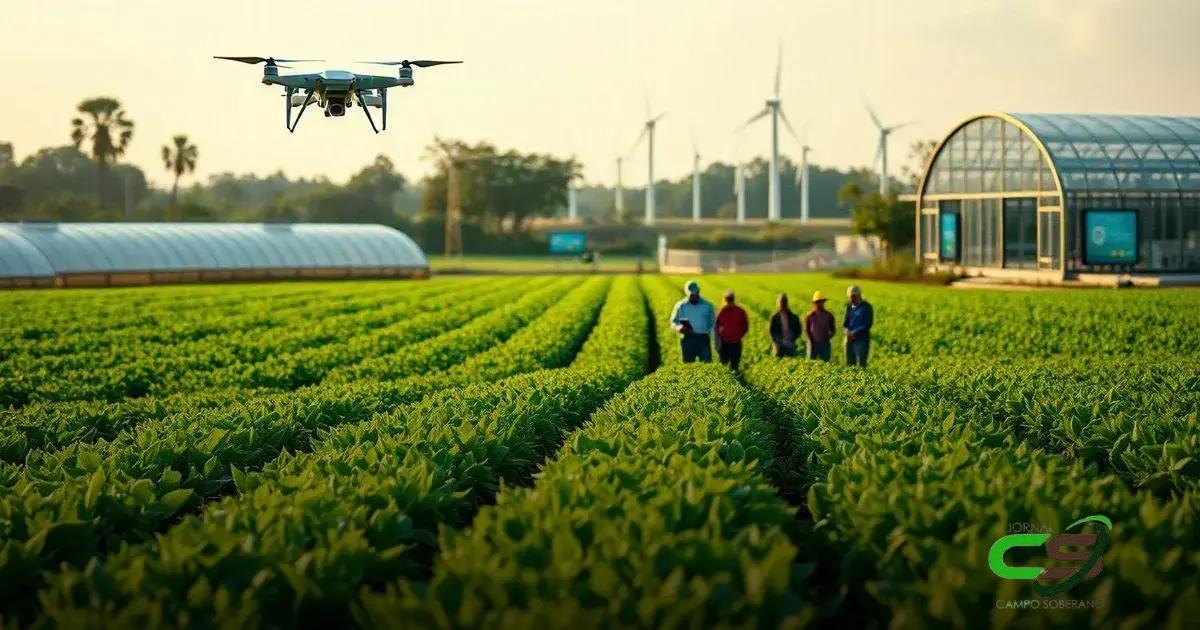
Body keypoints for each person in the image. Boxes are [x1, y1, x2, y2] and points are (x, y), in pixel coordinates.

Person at [671, 279, 715, 363]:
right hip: (687, 339)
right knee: (688, 366)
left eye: (695, 294)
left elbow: (712, 323)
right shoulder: (680, 306)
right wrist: (679, 327)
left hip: (703, 339)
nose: (694, 297)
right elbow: (673, 322)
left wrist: (713, 339)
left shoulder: (707, 305)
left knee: (706, 365)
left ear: (698, 292)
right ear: (687, 294)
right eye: (691, 295)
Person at [715, 289, 749, 370]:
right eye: (728, 299)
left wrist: (739, 335)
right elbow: (716, 327)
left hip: (736, 343)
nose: (729, 301)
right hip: (725, 344)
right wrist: (720, 338)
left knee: (734, 366)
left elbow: (745, 326)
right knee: (723, 366)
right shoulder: (722, 312)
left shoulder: (740, 311)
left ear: (733, 299)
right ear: (725, 300)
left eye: (730, 299)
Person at [843, 285, 874, 367]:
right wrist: (846, 331)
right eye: (850, 297)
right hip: (849, 339)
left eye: (853, 296)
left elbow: (867, 324)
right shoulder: (849, 307)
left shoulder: (866, 307)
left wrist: (854, 333)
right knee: (849, 364)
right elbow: (845, 323)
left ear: (859, 295)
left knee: (861, 364)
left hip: (861, 340)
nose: (851, 299)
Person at [804, 290, 835, 362]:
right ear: (814, 303)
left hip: (825, 344)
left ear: (824, 302)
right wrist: (811, 340)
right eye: (818, 302)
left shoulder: (829, 315)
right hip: (812, 343)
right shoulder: (810, 315)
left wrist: (829, 336)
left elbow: (833, 329)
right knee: (811, 363)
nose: (819, 304)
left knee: (825, 362)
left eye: (821, 301)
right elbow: (807, 329)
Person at [768, 293, 801, 357]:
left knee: (792, 362)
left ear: (787, 303)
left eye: (784, 302)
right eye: (781, 302)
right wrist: (777, 341)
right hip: (779, 345)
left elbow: (798, 330)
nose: (782, 304)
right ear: (778, 303)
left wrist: (793, 339)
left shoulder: (793, 317)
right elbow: (771, 332)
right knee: (778, 362)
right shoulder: (774, 317)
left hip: (790, 344)